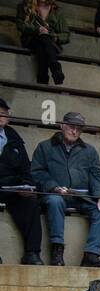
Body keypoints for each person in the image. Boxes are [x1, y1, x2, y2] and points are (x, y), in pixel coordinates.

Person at [31, 113, 100, 267]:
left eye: (78, 129)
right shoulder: (45, 147)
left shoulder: (89, 150)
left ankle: (91, 254)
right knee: (55, 201)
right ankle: (57, 250)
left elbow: (97, 176)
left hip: (81, 196)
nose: (75, 132)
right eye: (71, 127)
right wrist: (54, 187)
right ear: (62, 126)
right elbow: (37, 172)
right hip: (55, 194)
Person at [0, 98, 45, 264]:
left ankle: (32, 253)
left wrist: (27, 185)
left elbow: (26, 167)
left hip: (12, 187)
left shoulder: (13, 136)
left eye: (4, 113)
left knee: (31, 201)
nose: (1, 116)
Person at [17, 0, 68, 86]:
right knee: (42, 38)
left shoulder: (56, 10)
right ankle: (56, 69)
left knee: (43, 42)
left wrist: (54, 36)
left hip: (50, 42)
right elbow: (20, 25)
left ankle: (42, 78)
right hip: (31, 39)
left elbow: (66, 34)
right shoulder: (24, 6)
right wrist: (37, 30)